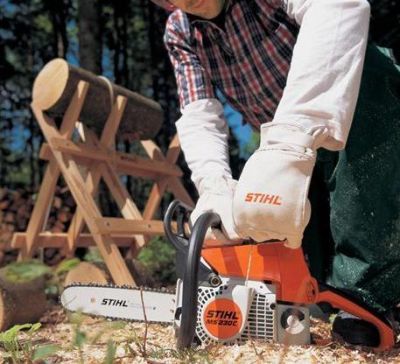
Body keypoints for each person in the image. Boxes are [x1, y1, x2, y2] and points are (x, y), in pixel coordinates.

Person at [151, 0, 400, 346]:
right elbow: (199, 114)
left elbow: (338, 6)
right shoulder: (180, 32)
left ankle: (370, 300)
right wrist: (214, 187)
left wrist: (292, 139)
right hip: (286, 142)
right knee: (301, 252)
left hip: (350, 99)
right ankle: (338, 294)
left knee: (368, 188)